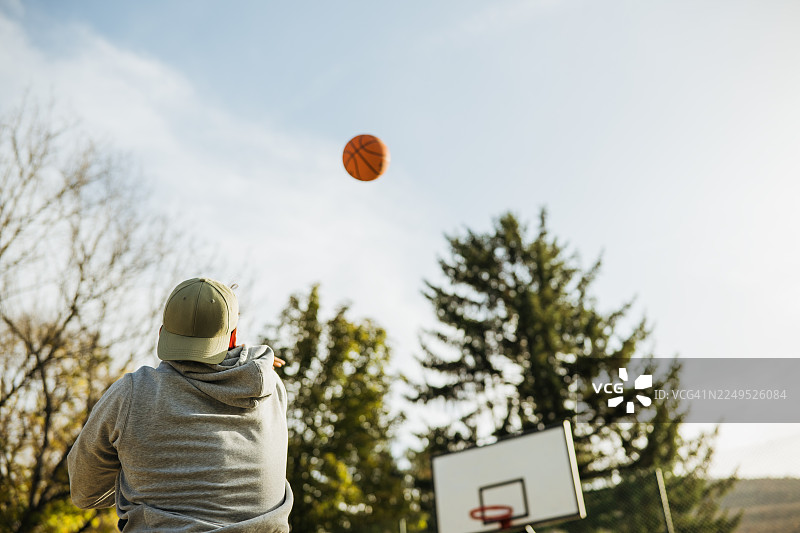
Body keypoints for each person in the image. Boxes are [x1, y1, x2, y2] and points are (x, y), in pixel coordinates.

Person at [68, 277, 293, 532]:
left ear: (163, 333)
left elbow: (84, 493)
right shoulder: (271, 388)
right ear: (233, 338)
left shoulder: (131, 394)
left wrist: (140, 474)